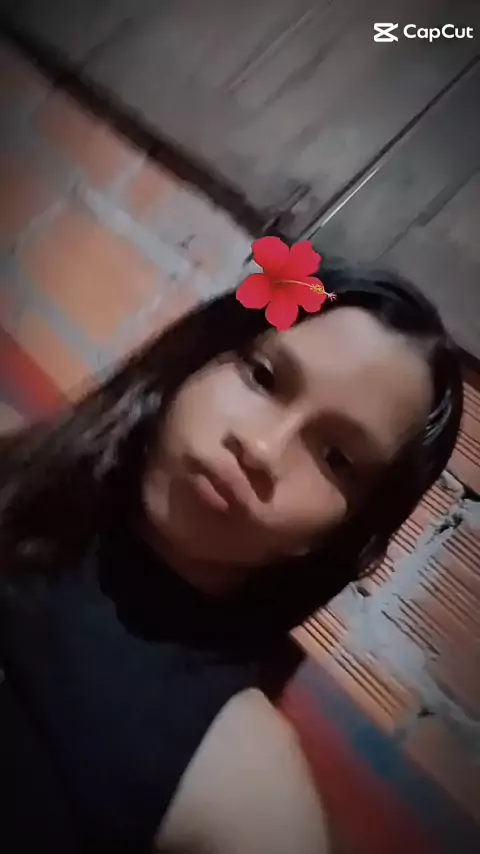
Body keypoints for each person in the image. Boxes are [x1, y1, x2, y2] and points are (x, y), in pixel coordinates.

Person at [0, 265, 463, 854]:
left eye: (337, 459)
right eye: (263, 377)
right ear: (198, 360)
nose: (262, 449)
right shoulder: (17, 471)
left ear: (340, 534)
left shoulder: (242, 787)